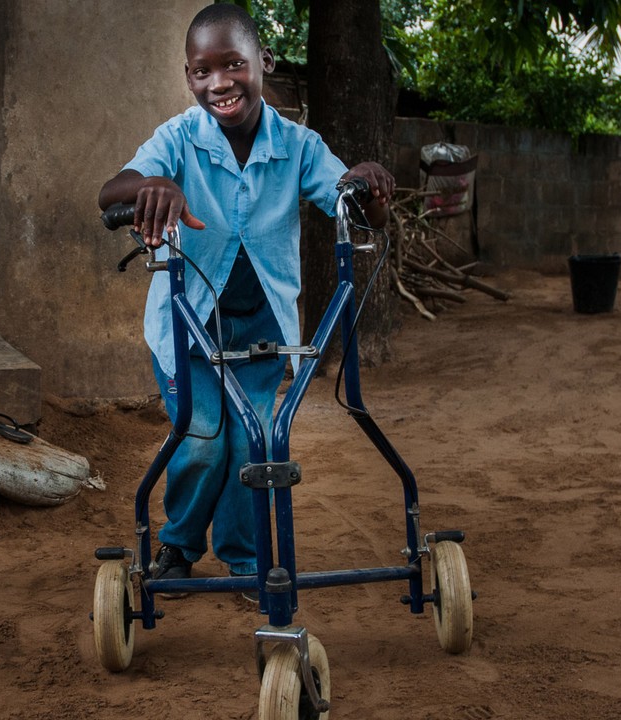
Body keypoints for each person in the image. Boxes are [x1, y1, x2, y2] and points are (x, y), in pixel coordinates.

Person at [97, 4, 393, 600]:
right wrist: (155, 186)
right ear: (189, 78)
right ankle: (178, 546)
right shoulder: (177, 138)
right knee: (203, 435)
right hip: (186, 323)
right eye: (203, 71)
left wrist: (366, 184)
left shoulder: (299, 146)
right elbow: (112, 192)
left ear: (265, 63)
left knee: (254, 437)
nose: (220, 83)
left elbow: (348, 201)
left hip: (261, 326)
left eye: (234, 64)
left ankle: (243, 556)